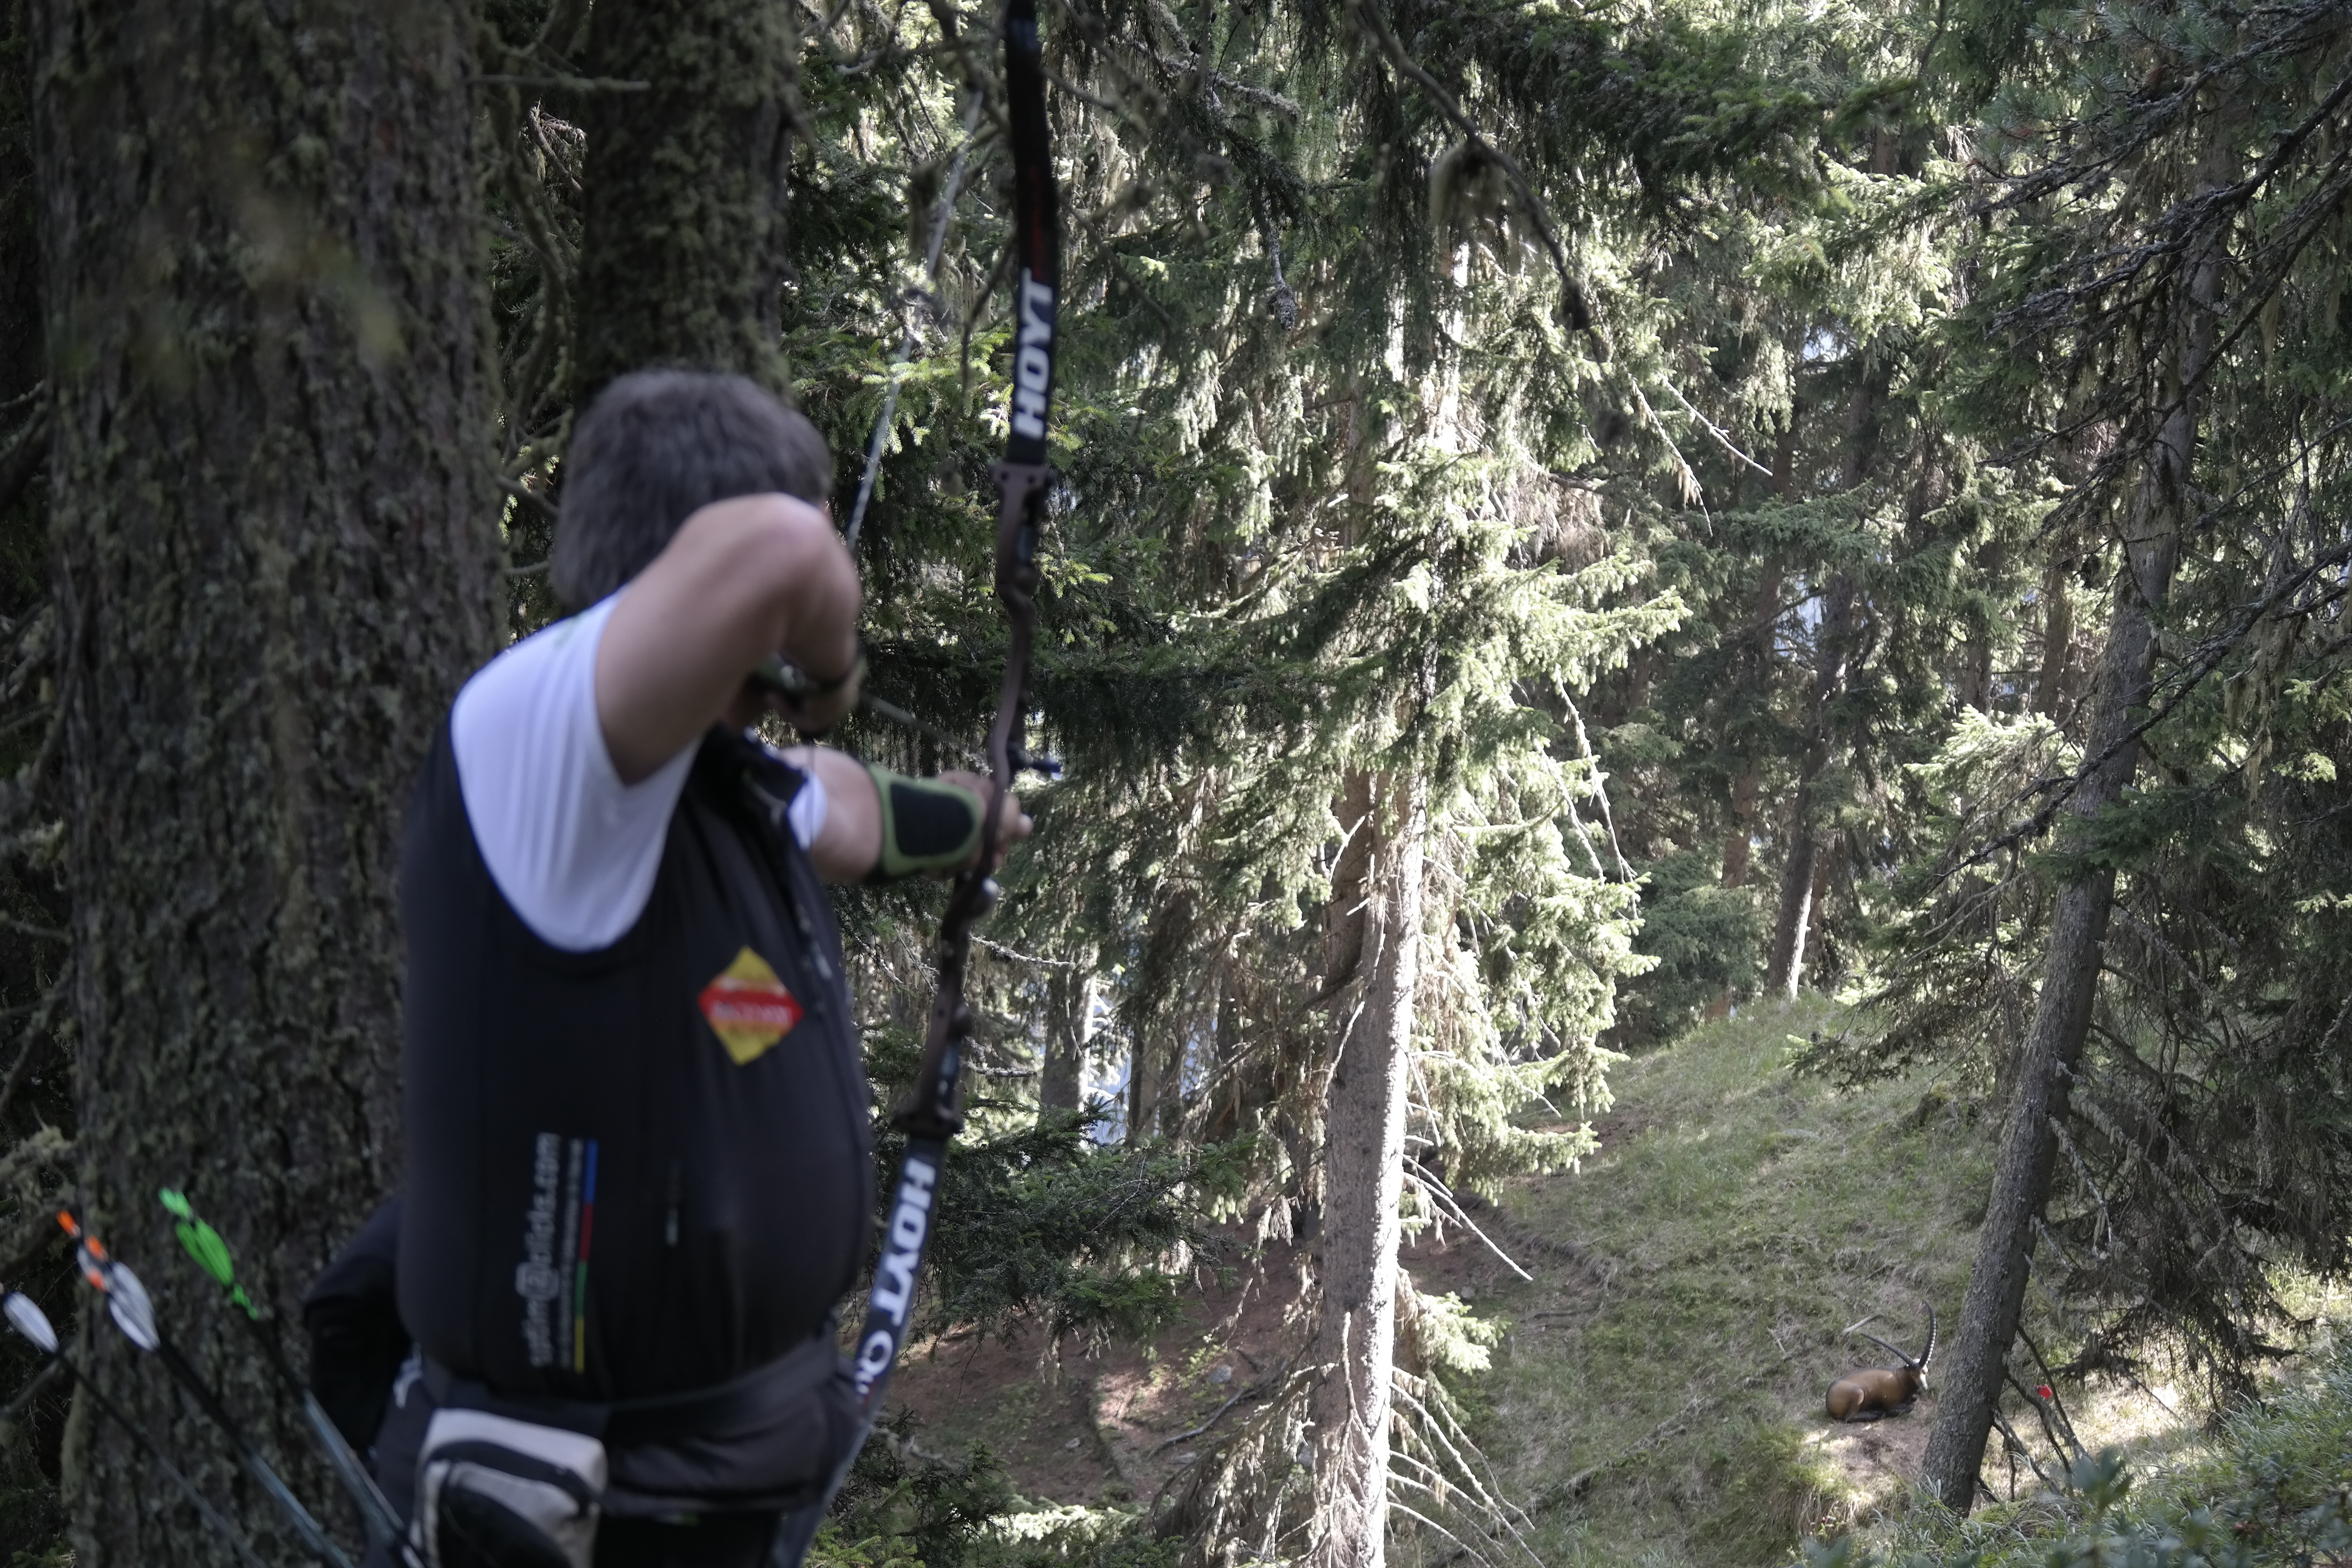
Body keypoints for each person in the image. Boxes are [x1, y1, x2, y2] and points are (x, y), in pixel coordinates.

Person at [363, 369, 1028, 1568]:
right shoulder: (543, 732)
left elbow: (845, 810)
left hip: (715, 1496)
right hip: (571, 1510)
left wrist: (975, 816)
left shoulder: (712, 779)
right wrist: (832, 677)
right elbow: (781, 549)